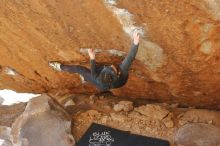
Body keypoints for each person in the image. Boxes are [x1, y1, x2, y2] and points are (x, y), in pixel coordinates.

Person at [49, 30, 140, 91]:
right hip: (115, 84)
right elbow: (130, 58)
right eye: (111, 68)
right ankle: (85, 77)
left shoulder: (97, 78)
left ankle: (59, 67)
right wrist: (135, 43)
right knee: (97, 68)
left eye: (110, 68)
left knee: (80, 69)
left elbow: (93, 71)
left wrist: (92, 58)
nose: (111, 65)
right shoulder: (121, 71)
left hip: (100, 85)